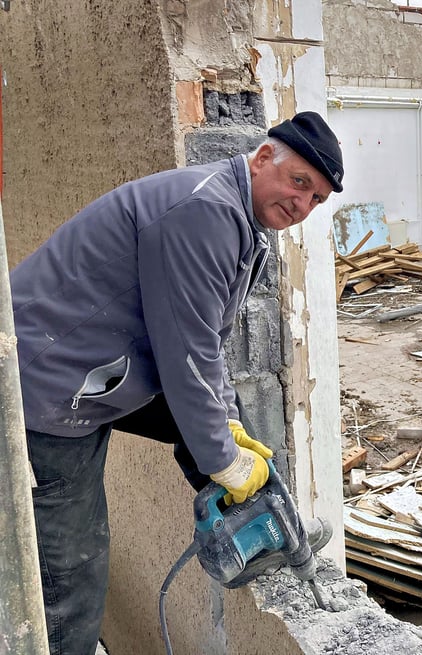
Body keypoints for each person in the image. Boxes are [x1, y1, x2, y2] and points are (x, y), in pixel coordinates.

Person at [11, 111, 344, 655]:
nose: (302, 204)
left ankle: (255, 524)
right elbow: (187, 355)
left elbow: (209, 342)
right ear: (263, 159)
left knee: (226, 426)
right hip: (46, 390)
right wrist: (223, 459)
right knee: (71, 573)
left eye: (316, 200)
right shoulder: (205, 213)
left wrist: (230, 429)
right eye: (299, 182)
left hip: (97, 369)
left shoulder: (238, 214)